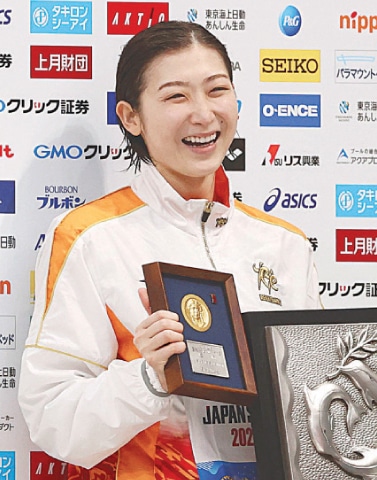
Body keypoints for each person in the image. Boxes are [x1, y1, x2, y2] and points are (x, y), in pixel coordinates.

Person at [18, 20, 322, 480]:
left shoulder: (285, 244)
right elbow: (54, 421)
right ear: (130, 117)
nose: (203, 114)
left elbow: (314, 403)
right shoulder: (88, 236)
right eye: (176, 96)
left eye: (217, 90)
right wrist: (150, 376)